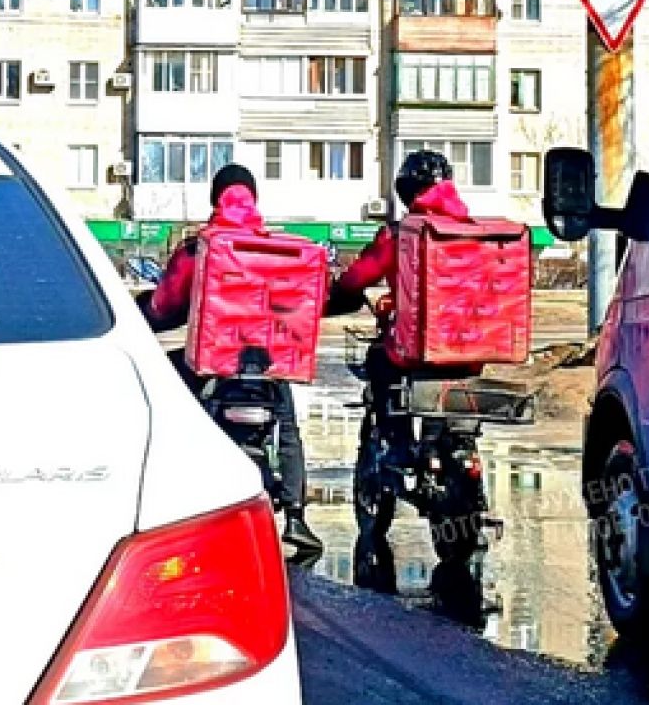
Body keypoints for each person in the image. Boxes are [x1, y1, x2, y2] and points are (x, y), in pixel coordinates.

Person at [138, 163, 324, 554]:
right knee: (287, 427)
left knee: (168, 401)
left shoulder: (199, 247)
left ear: (214, 198)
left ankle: (172, 504)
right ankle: (295, 517)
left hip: (213, 365)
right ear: (254, 198)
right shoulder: (278, 251)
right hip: (268, 366)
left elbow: (163, 306)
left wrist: (148, 313)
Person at [325, 149, 476, 467]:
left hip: (418, 351)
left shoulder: (401, 234)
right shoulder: (476, 234)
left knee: (379, 361)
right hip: (471, 350)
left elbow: (357, 278)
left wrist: (339, 289)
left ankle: (397, 444)